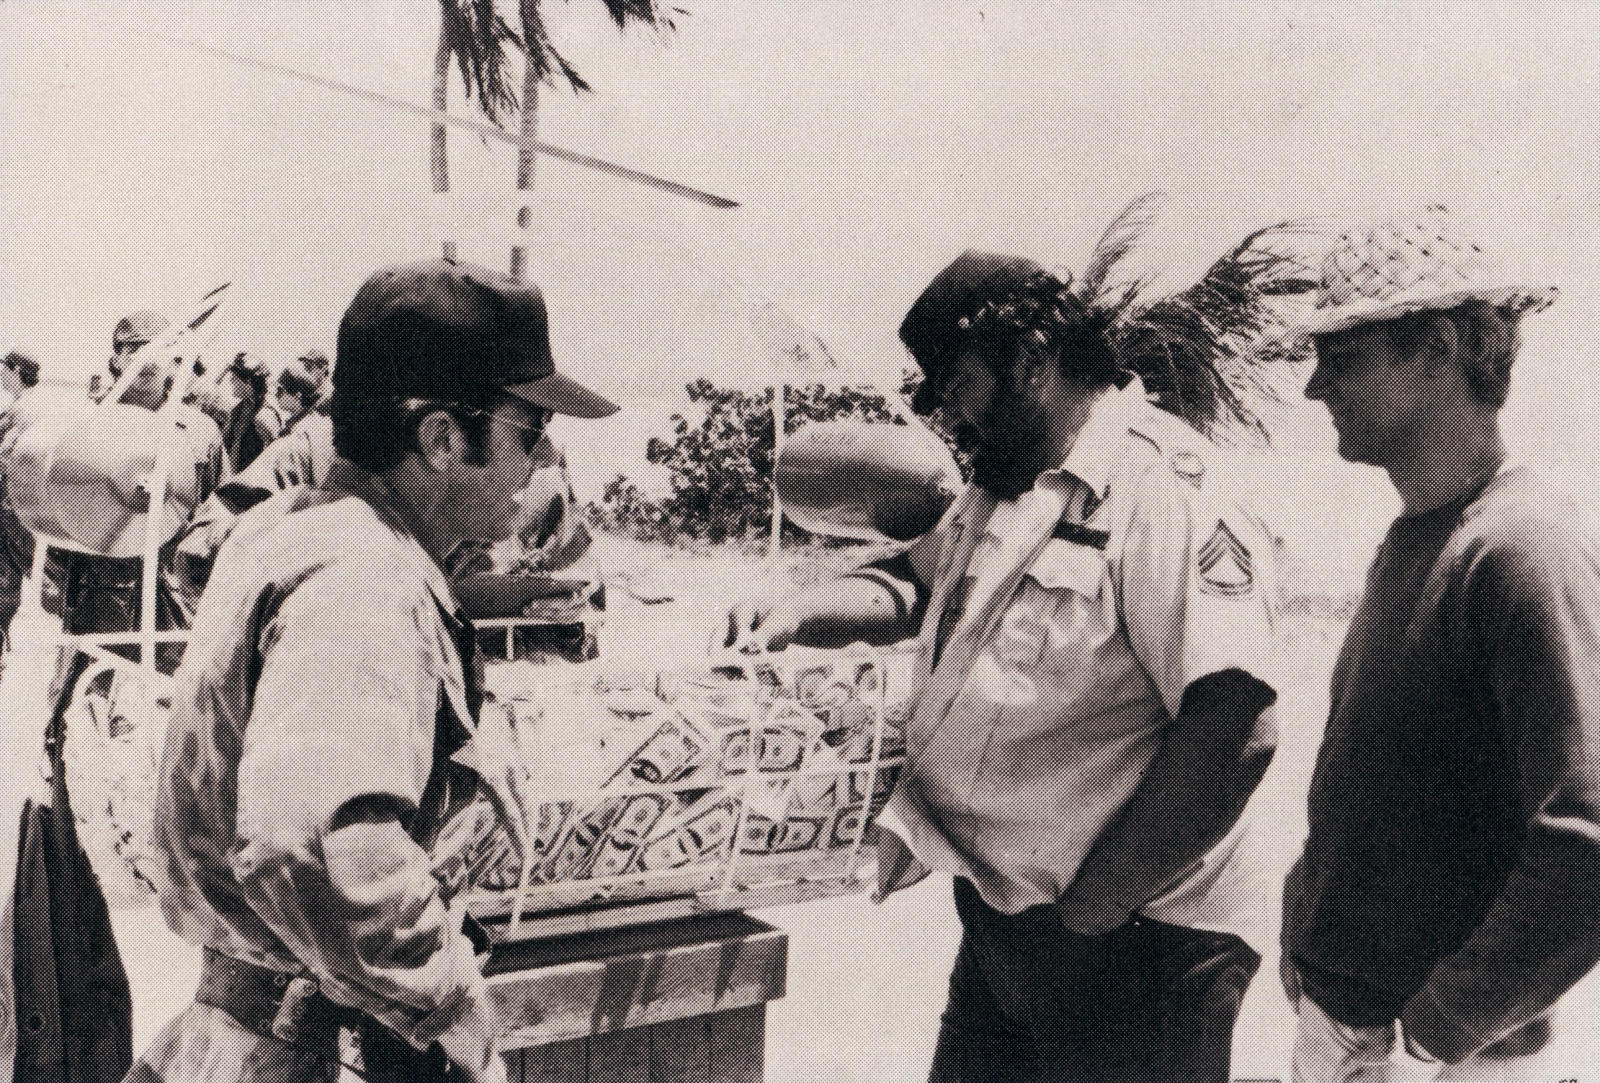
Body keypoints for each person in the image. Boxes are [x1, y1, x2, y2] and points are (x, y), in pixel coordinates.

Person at [726, 252, 1281, 1082]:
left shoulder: (1160, 487)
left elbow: (1236, 722)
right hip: (1009, 926)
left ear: (1030, 360)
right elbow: (913, 584)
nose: (946, 414)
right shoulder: (1005, 486)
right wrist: (799, 612)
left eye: (958, 384)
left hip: (1139, 947)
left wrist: (1097, 904)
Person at [130, 257, 620, 1083]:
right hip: (315, 1047)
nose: (539, 463)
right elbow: (312, 843)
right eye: (529, 431)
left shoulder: (296, 528)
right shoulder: (365, 577)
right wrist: (452, 1005)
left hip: (244, 1027)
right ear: (442, 438)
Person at [1281, 214, 1600, 1081]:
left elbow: (1585, 838)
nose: (1314, 387)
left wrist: (1435, 1033)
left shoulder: (1522, 546)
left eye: (1343, 358)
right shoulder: (1417, 540)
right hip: (1354, 1028)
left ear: (1438, 350)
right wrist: (1307, 909)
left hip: (1435, 1055)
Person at [221, 352, 272, 472]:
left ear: (248, 382)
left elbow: (271, 459)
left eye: (234, 378)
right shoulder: (237, 411)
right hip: (234, 478)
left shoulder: (265, 415)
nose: (231, 382)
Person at [270, 362, 319, 436]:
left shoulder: (306, 427)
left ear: (297, 395)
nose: (276, 394)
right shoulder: (293, 421)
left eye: (280, 391)